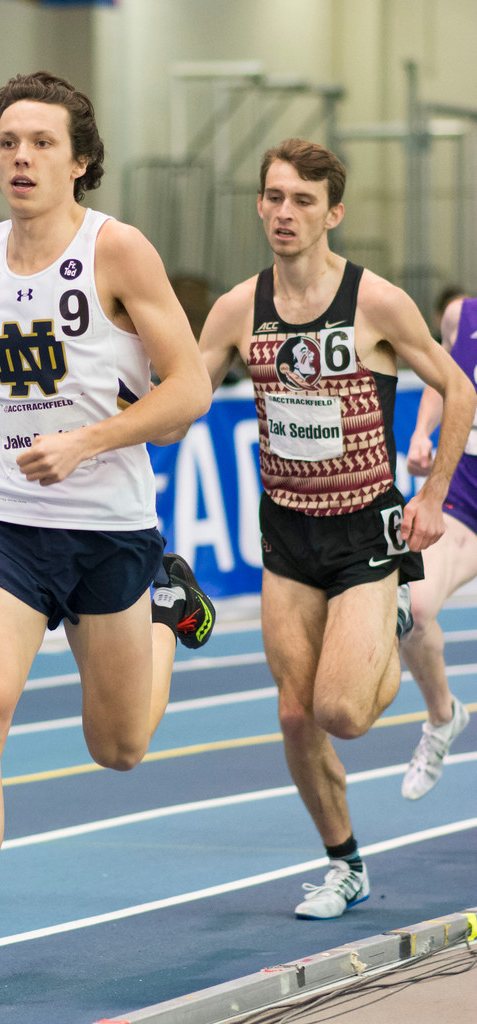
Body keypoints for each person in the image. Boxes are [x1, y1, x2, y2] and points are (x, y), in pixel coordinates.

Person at [0, 71, 214, 1006]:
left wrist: (87, 439)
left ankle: (167, 607)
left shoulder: (117, 250)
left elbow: (190, 388)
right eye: (8, 141)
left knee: (117, 748)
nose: (20, 157)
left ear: (80, 160)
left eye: (41, 142)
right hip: (4, 521)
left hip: (109, 529)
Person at [196, 138, 476, 921]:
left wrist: (433, 494)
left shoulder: (375, 301)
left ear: (333, 213)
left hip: (363, 533)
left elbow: (458, 391)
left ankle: (389, 623)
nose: (284, 213)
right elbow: (181, 392)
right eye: (274, 197)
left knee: (341, 714)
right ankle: (344, 863)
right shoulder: (235, 308)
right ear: (259, 203)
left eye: (302, 201)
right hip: (285, 536)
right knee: (293, 714)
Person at [399, 295, 477, 798]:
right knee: (414, 606)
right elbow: (442, 378)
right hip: (465, 502)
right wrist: (424, 433)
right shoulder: (461, 316)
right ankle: (442, 717)